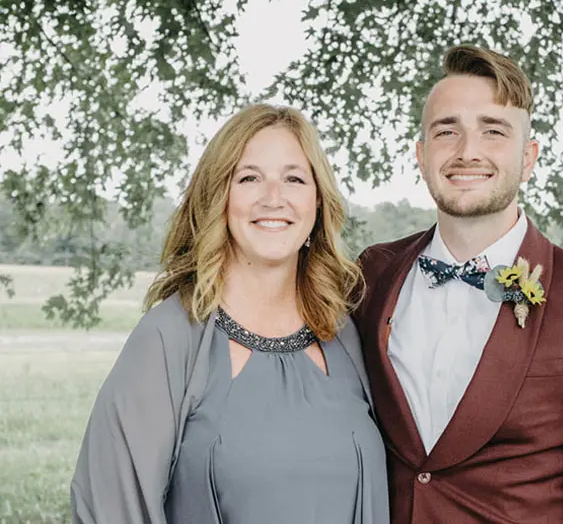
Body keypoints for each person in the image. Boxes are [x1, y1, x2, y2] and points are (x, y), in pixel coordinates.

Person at [352, 46, 563, 523]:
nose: (467, 151)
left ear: (528, 157)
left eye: (493, 131)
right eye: (446, 130)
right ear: (422, 154)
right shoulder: (372, 275)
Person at [71, 104, 390, 524]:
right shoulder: (169, 338)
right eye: (249, 178)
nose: (273, 198)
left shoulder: (343, 331)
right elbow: (111, 508)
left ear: (317, 202)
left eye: (294, 178)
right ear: (219, 196)